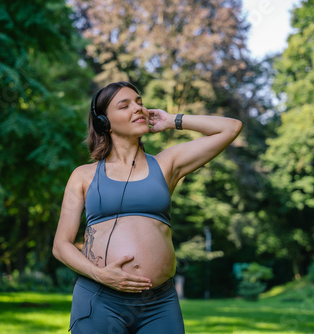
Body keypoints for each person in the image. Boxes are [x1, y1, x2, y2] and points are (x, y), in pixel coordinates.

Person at [53, 81, 242, 333]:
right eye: (125, 105)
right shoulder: (83, 175)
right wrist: (100, 275)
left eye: (140, 103)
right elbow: (61, 245)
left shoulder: (166, 164)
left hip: (158, 303)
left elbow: (230, 128)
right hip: (99, 297)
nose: (138, 109)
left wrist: (171, 120)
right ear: (103, 123)